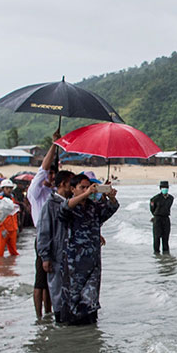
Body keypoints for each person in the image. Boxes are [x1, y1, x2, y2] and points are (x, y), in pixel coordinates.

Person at [49, 174, 118, 325]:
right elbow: (64, 209)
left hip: (92, 261)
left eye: (88, 187)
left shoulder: (93, 207)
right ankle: (72, 332)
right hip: (74, 263)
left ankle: (90, 330)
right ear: (73, 189)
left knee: (91, 298)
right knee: (73, 298)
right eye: (83, 187)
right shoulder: (69, 207)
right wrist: (87, 194)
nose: (87, 190)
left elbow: (108, 211)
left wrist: (109, 197)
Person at [36, 170, 76, 320]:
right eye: (70, 183)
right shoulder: (50, 205)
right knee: (57, 288)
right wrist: (45, 256)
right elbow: (44, 231)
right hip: (56, 253)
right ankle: (58, 316)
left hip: (71, 254)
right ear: (63, 184)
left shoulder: (72, 202)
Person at [28, 139, 59, 318]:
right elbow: (43, 168)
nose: (51, 177)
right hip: (42, 237)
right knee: (40, 280)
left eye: (54, 174)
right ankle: (39, 315)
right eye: (50, 174)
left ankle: (49, 312)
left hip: (55, 237)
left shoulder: (52, 193)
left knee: (50, 279)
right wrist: (54, 145)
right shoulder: (35, 191)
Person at [0, 179, 20, 258]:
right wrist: (2, 228)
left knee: (14, 252)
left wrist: (16, 227)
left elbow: (14, 214)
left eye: (10, 188)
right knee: (0, 252)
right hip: (3, 229)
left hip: (13, 228)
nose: (9, 190)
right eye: (7, 188)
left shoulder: (12, 199)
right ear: (3, 189)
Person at [150, 180, 174, 254]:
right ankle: (156, 254)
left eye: (166, 187)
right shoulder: (155, 198)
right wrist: (156, 215)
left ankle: (166, 255)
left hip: (166, 219)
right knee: (157, 238)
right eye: (163, 187)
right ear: (160, 188)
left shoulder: (171, 198)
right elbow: (152, 209)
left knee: (165, 238)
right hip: (157, 219)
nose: (165, 189)